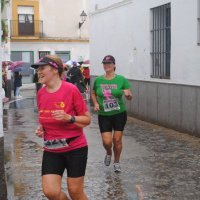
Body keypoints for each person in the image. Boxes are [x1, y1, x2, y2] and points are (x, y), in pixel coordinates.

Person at [31, 55, 91, 200]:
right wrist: (42, 128)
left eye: (42, 68)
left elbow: (87, 119)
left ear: (55, 70)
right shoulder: (41, 93)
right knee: (50, 192)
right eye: (38, 69)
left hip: (75, 148)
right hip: (51, 149)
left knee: (75, 191)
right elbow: (45, 117)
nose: (39, 71)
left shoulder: (71, 90)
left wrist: (69, 118)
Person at [91, 55, 132, 173]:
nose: (106, 65)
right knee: (107, 142)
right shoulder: (99, 80)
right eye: (104, 63)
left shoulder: (122, 79)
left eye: (109, 63)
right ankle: (109, 152)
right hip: (104, 114)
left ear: (114, 65)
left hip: (119, 113)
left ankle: (117, 161)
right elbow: (93, 93)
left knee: (117, 140)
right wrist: (95, 103)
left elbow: (130, 96)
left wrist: (128, 95)